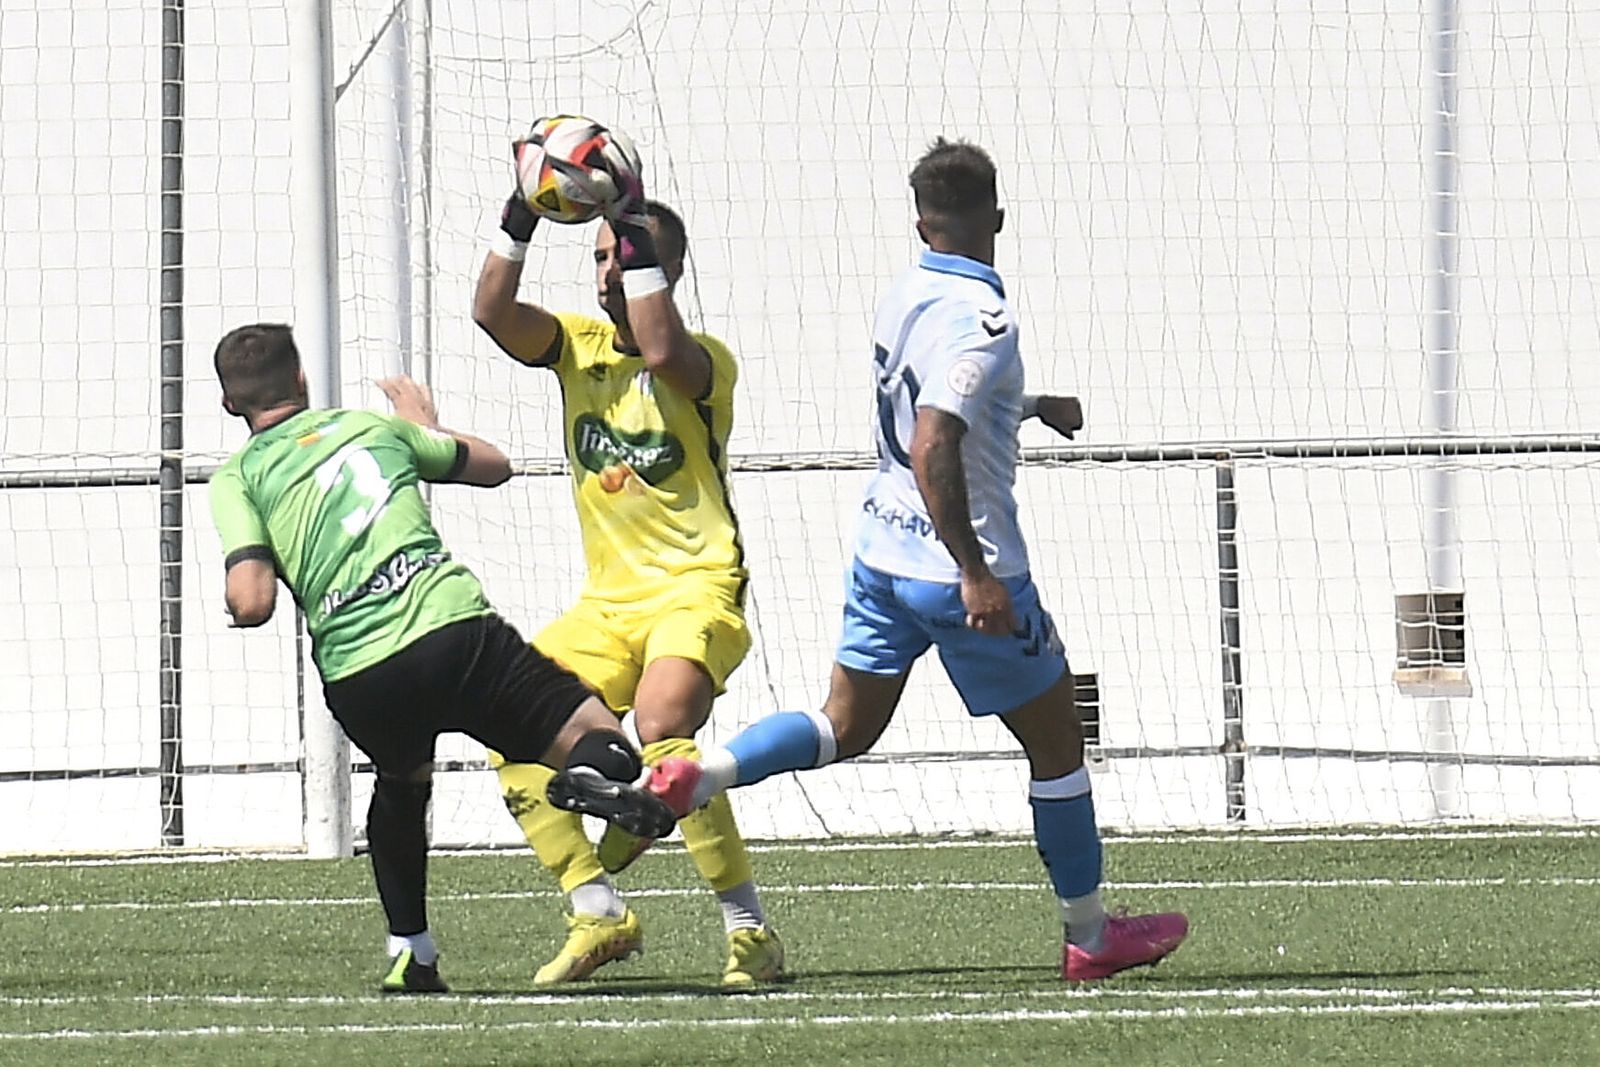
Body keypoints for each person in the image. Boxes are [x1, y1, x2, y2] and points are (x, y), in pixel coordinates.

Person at [656, 138, 1190, 982]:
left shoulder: (905, 290)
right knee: (1058, 749)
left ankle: (705, 770)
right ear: (1001, 217)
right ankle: (1091, 936)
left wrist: (1030, 403)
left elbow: (936, 395)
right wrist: (976, 570)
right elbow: (934, 435)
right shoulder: (987, 317)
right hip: (958, 570)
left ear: (921, 223)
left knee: (843, 726)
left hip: (881, 554)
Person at [207, 323, 680, 994]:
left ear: (231, 405)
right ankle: (590, 777)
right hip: (450, 630)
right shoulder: (372, 429)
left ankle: (413, 952)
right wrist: (423, 425)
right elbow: (495, 464)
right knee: (602, 737)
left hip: (361, 670)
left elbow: (252, 600)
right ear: (303, 381)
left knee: (401, 779)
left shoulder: (237, 478)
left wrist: (239, 594)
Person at [469, 142, 783, 988]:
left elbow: (657, 349)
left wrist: (631, 217)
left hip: (696, 588)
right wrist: (524, 209)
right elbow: (492, 311)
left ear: (666, 269)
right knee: (511, 723)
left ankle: (750, 930)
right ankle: (597, 908)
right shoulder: (573, 345)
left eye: (624, 255)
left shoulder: (702, 361)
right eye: (600, 255)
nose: (606, 268)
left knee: (665, 729)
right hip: (607, 604)